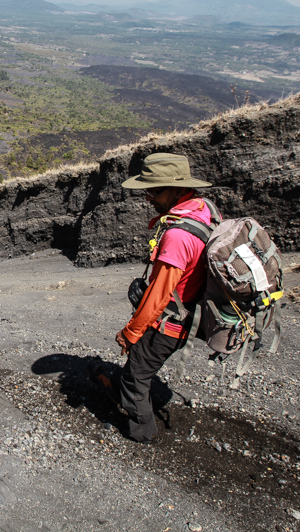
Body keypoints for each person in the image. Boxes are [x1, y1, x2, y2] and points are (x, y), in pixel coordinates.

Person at [93, 152, 214, 443]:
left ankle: (141, 431)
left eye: (154, 190)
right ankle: (124, 387)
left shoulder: (177, 236)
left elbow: (160, 293)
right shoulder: (202, 208)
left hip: (168, 322)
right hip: (186, 312)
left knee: (137, 377)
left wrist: (131, 332)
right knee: (139, 365)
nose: (148, 197)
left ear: (176, 188)